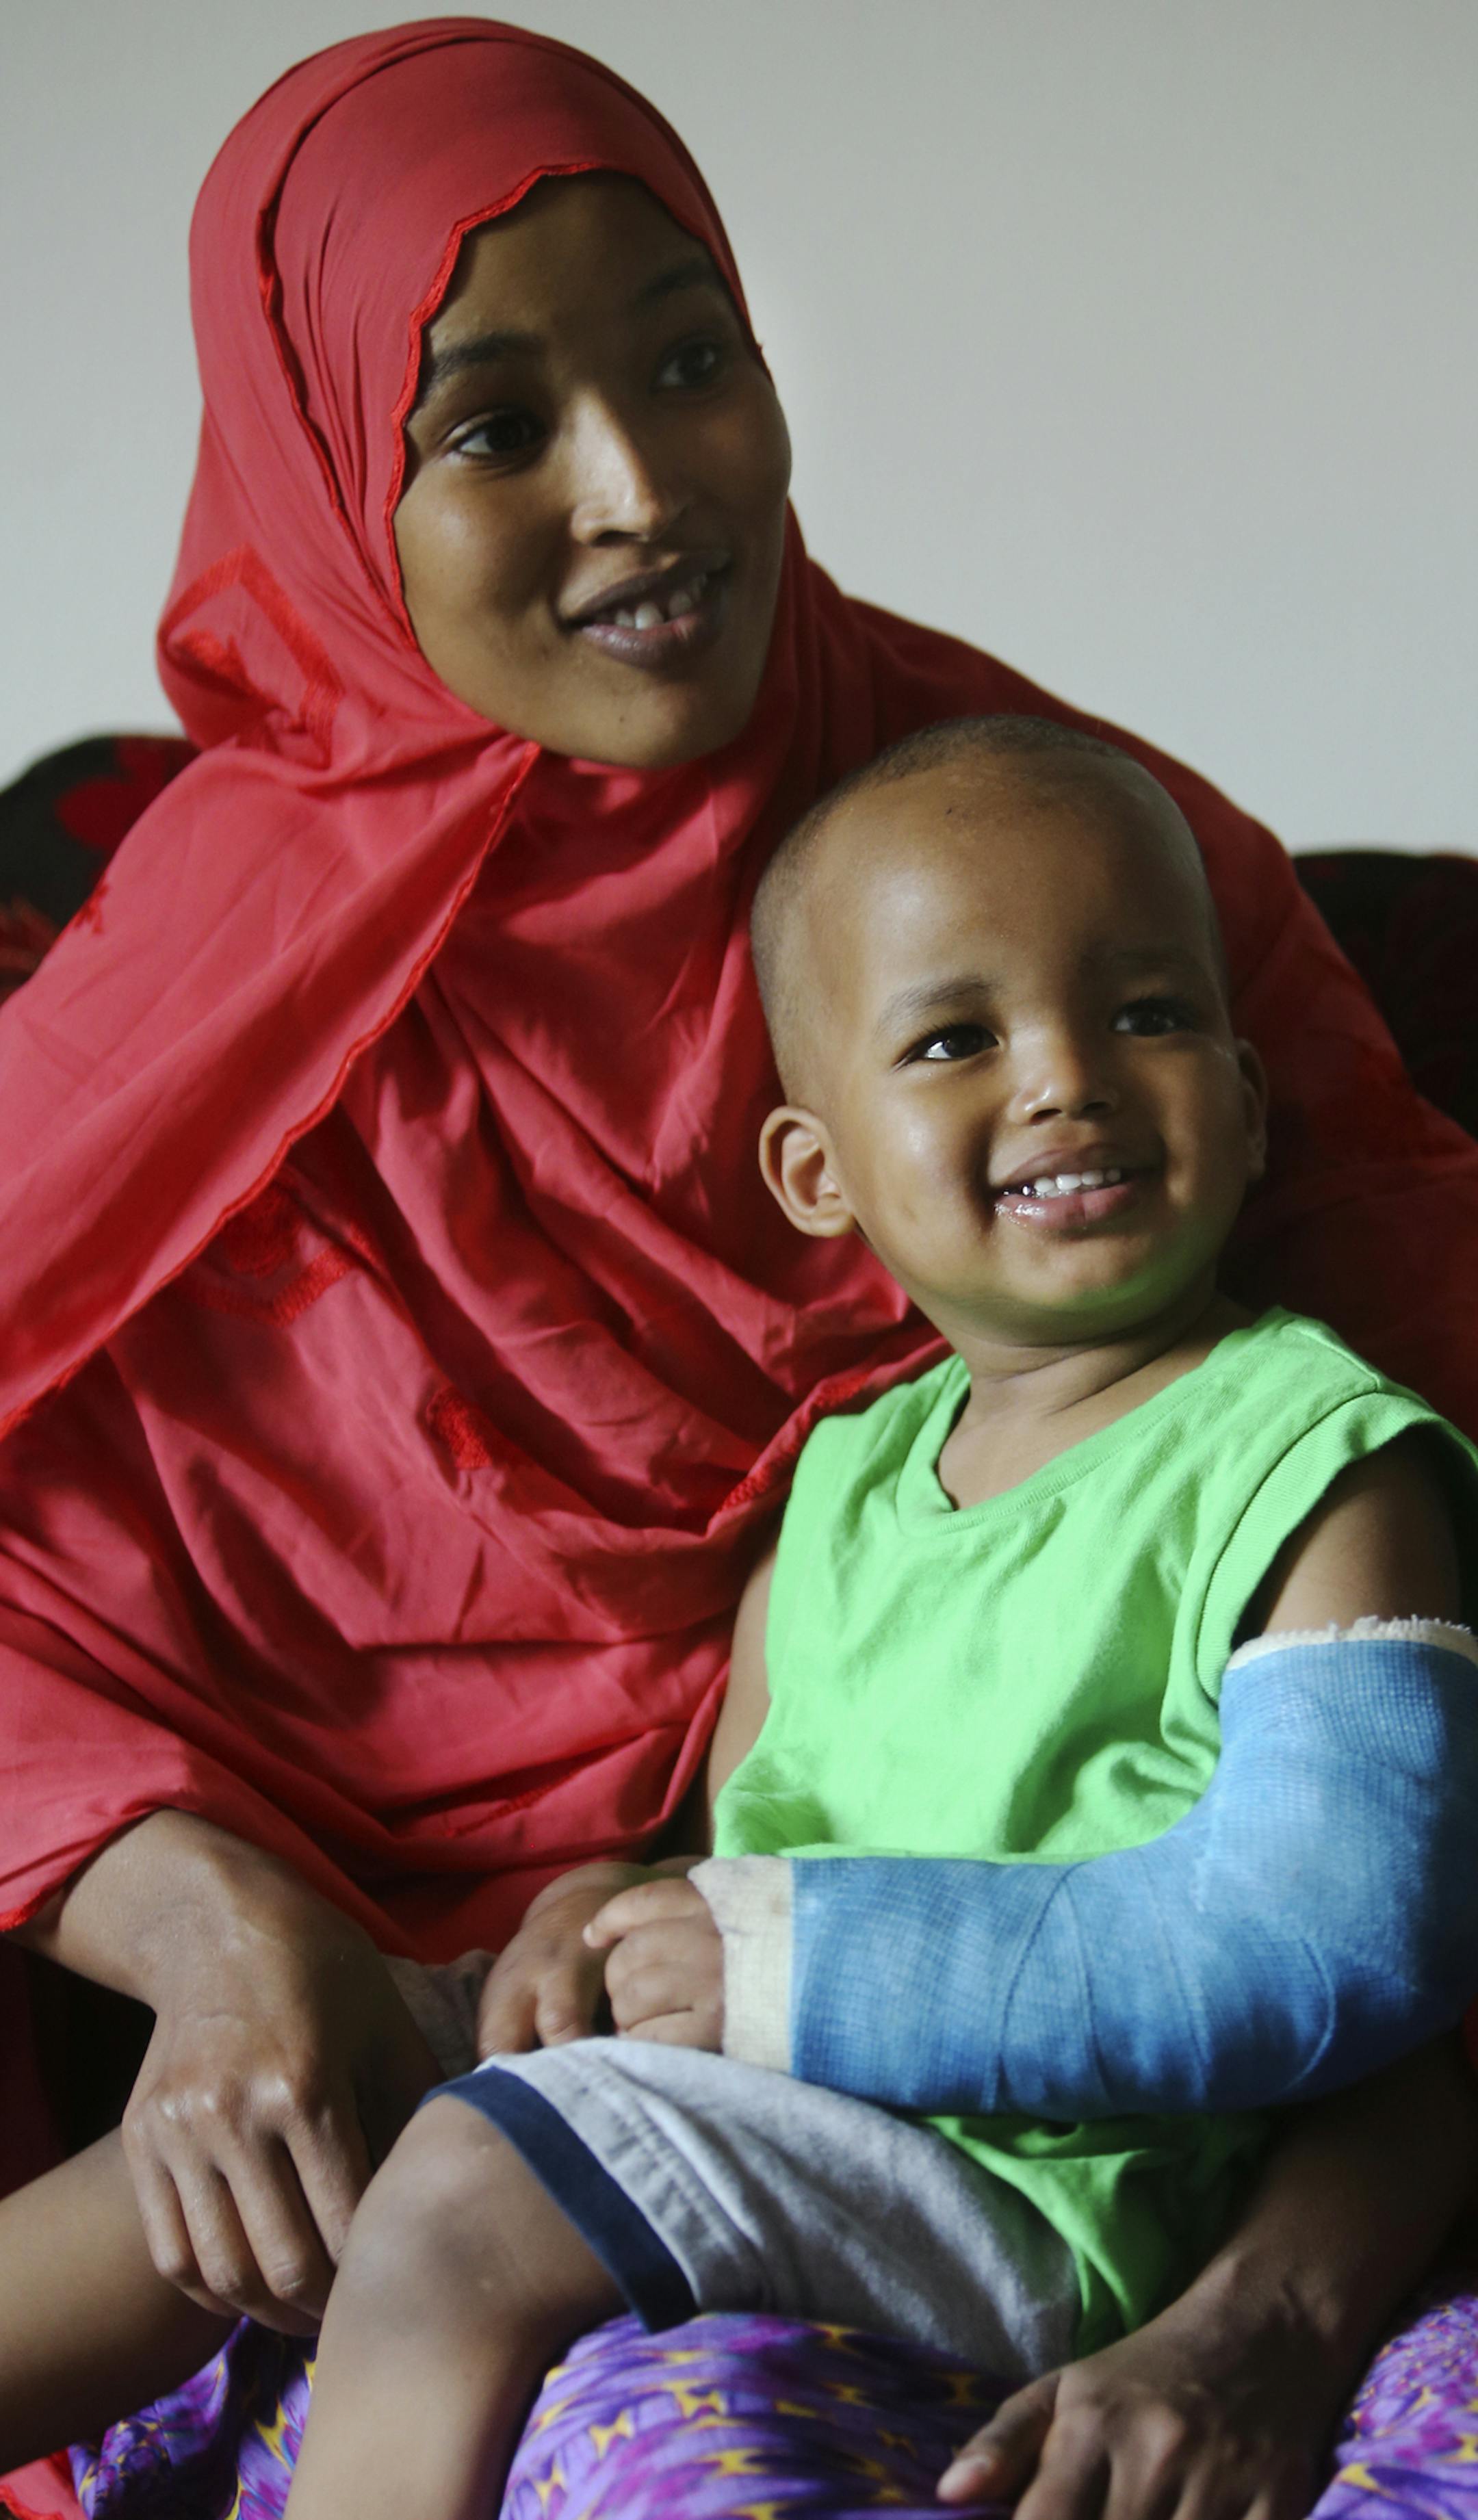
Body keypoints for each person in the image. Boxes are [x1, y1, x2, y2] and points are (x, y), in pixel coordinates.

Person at [4, 20, 1478, 2520]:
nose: (646, 487)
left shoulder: (1053, 863)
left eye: (695, 361)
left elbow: (1402, 1746)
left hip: (929, 1993)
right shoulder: (184, 984)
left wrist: (1262, 2308)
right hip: (473, 1998)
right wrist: (204, 1915)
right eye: (492, 424)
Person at [237, 714, 1478, 2520]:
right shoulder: (839, 1485)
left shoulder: (1324, 1461)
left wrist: (790, 1970)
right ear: (817, 1173)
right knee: (306, 2091)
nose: (1064, 1078)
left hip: (1060, 2190)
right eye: (958, 1037)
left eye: (1143, 1013)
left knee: (460, 2187)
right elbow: (743, 1840)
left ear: (1245, 1087)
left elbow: (1349, 1937)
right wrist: (602, 1908)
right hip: (817, 2127)